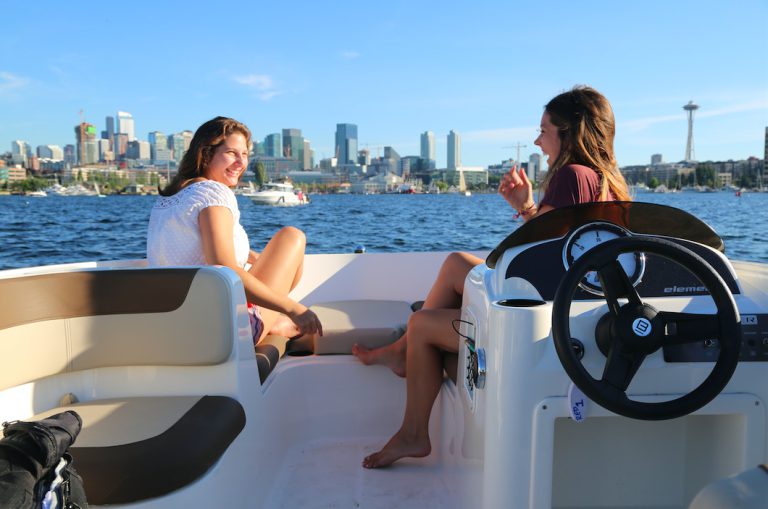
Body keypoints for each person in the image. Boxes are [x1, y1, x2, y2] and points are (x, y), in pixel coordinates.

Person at [354, 85, 631, 468]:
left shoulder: (571, 175)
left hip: (540, 322)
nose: (537, 141)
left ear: (569, 133)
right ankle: (403, 353)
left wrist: (525, 211)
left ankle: (413, 432)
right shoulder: (606, 180)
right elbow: (557, 247)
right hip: (568, 307)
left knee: (421, 323)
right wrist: (528, 207)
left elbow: (533, 258)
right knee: (455, 264)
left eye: (544, 130)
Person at [146, 116, 322, 345]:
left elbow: (198, 245)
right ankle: (273, 323)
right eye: (231, 153)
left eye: (245, 154)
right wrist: (294, 309)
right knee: (292, 237)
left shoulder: (170, 198)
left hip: (175, 326)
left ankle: (272, 323)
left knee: (272, 255)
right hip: (221, 332)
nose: (241, 163)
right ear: (206, 153)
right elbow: (224, 269)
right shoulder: (213, 193)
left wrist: (255, 258)